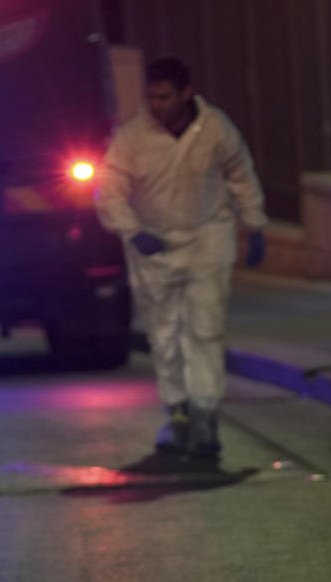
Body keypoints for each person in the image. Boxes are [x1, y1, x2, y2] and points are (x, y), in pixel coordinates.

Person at [95, 56, 267, 457]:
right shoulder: (133, 136)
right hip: (155, 244)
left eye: (165, 97)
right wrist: (133, 232)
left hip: (208, 235)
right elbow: (110, 186)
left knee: (205, 328)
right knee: (165, 332)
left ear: (186, 93)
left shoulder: (215, 129)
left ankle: (205, 415)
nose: (157, 105)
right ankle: (178, 413)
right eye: (152, 97)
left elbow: (240, 174)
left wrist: (254, 224)